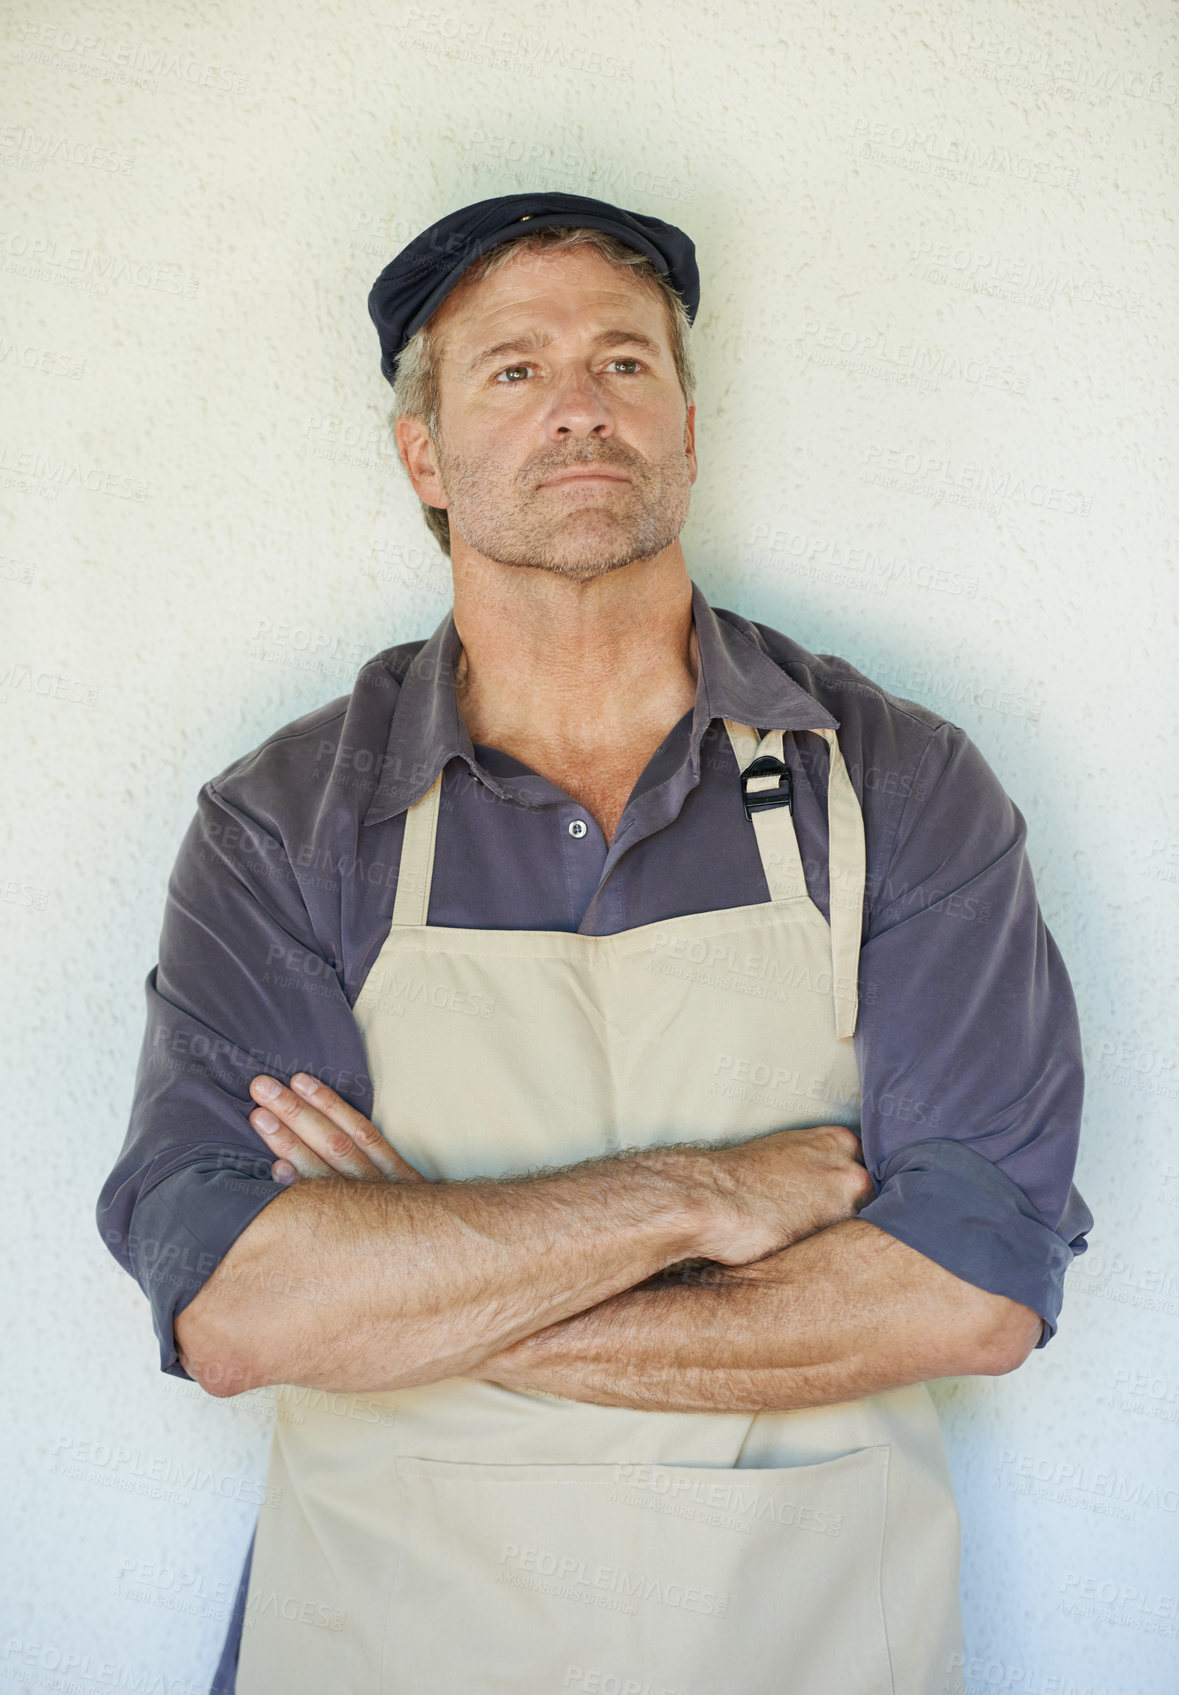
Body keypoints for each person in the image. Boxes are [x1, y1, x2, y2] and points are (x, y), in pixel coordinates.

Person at [96, 192, 1092, 1695]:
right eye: (513, 369)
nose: (579, 408)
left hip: (801, 1645)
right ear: (422, 455)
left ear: (686, 425)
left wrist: (431, 1282)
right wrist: (702, 1196)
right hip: (386, 1643)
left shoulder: (893, 782)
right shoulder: (292, 821)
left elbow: (968, 1293)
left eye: (625, 365)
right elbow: (239, 1306)